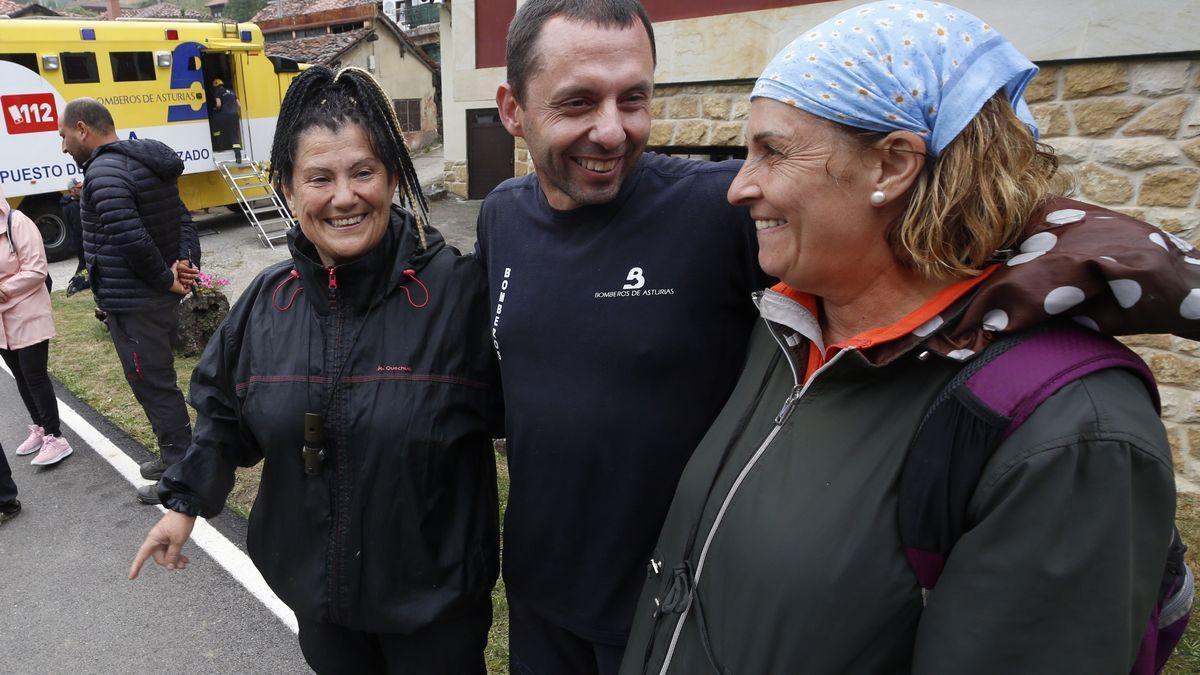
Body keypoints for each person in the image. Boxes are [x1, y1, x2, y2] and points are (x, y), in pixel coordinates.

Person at [622, 2, 1186, 672]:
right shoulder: (795, 322)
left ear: (892, 165)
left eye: (772, 150)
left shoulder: (1070, 433)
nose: (739, 186)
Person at [129, 66, 501, 674]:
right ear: (288, 186)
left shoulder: (459, 293)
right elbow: (222, 418)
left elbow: (540, 409)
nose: (344, 196)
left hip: (434, 610)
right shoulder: (267, 302)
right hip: (319, 605)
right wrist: (184, 503)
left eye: (363, 172)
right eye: (319, 178)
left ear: (390, 175)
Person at [477, 1, 768, 671]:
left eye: (633, 99)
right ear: (513, 108)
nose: (612, 132)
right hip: (540, 596)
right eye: (578, 103)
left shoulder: (720, 209)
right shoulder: (501, 217)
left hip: (676, 609)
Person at [58, 98, 200, 504]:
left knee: (154, 386)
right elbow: (183, 220)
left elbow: (130, 237)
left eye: (64, 135)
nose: (63, 146)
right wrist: (184, 266)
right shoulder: (140, 163)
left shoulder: (103, 171)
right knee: (155, 383)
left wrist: (167, 279)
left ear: (82, 129)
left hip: (137, 304)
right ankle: (174, 451)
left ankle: (179, 473)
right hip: (150, 301)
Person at [1, 184, 72, 467]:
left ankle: (56, 437)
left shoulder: (17, 222)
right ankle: (41, 428)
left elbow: (36, 270)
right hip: (2, 320)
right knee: (19, 374)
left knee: (34, 374)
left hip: (27, 310)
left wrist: (4, 289)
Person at [61, 177, 89, 296]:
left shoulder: (74, 202)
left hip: (81, 241)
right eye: (79, 188)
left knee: (84, 264)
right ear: (72, 190)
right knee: (85, 265)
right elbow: (78, 227)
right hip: (82, 241)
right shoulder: (72, 206)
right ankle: (75, 285)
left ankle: (76, 284)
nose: (82, 189)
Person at [210, 78, 242, 163]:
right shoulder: (231, 91)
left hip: (224, 115)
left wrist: (216, 109)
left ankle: (221, 148)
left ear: (215, 87)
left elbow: (218, 104)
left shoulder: (218, 92)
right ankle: (238, 156)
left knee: (219, 130)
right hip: (234, 115)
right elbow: (239, 105)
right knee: (234, 134)